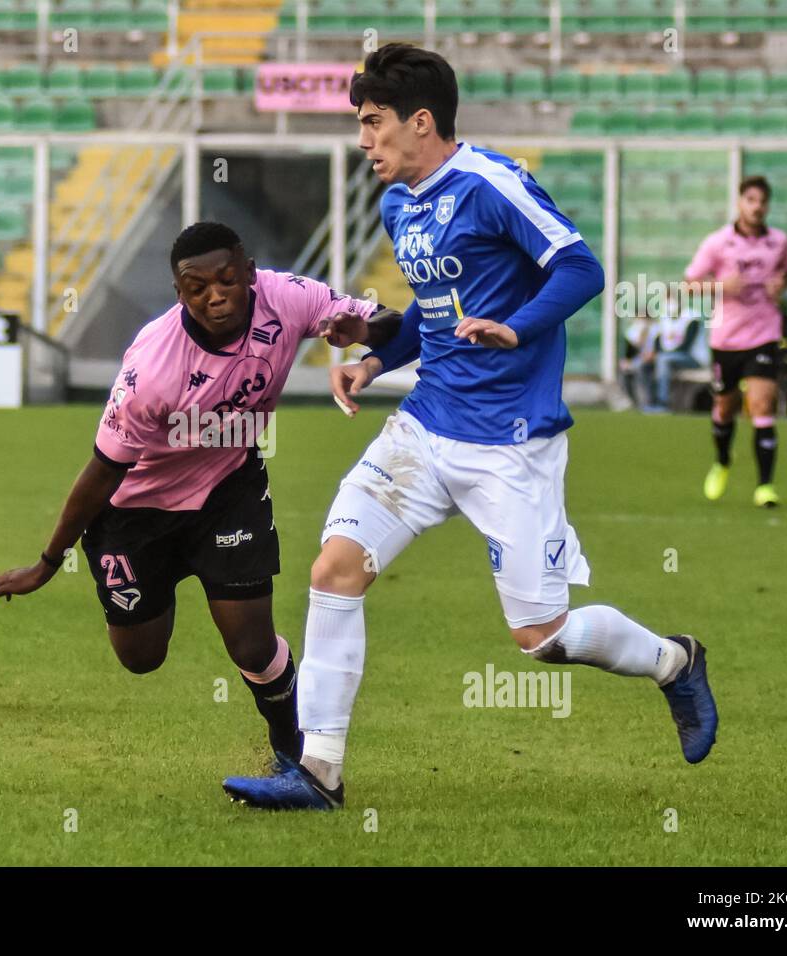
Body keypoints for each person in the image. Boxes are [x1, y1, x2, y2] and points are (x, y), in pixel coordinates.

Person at [221, 43, 718, 811]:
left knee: (541, 638)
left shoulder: (493, 183)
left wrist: (518, 329)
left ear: (421, 122)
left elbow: (580, 267)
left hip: (511, 442)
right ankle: (317, 773)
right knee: (333, 572)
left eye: (373, 122)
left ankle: (673, 662)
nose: (363, 140)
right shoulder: (397, 204)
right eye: (359, 123)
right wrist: (377, 362)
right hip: (425, 428)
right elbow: (434, 313)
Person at [0, 221, 397, 765]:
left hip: (228, 489)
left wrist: (364, 334)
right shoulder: (152, 368)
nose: (215, 296)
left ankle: (296, 756)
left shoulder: (287, 297)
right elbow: (102, 473)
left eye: (226, 280)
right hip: (136, 511)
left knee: (251, 642)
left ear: (248, 273)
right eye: (197, 287)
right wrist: (47, 562)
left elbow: (385, 321)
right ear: (180, 293)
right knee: (140, 657)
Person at [684, 176, 787, 507]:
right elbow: (689, 284)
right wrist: (719, 287)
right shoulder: (718, 243)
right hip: (727, 339)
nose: (757, 207)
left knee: (761, 405)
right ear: (740, 203)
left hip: (764, 335)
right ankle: (722, 461)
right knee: (724, 408)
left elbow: (786, 274)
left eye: (762, 201)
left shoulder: (779, 241)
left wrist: (780, 286)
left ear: (767, 206)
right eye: (751, 200)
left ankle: (765, 487)